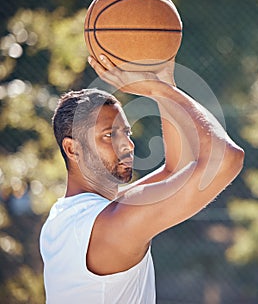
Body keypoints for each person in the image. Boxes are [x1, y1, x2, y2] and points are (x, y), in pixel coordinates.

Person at [40, 54, 244, 304]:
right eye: (109, 135)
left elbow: (175, 170)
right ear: (73, 149)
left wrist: (164, 80)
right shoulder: (112, 225)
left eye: (127, 132)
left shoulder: (64, 217)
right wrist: (159, 90)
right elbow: (226, 160)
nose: (127, 144)